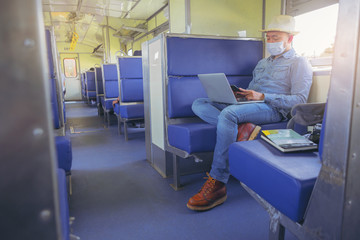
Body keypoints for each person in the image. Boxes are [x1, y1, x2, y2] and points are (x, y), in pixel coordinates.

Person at [187, 15, 313, 211]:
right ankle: (242, 129)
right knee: (199, 103)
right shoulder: (262, 63)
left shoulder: (299, 63)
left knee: (228, 115)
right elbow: (252, 90)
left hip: (273, 109)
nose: (270, 41)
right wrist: (239, 96)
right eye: (268, 37)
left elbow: (298, 101)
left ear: (290, 39)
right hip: (251, 105)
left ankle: (218, 182)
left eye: (275, 37)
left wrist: (262, 96)